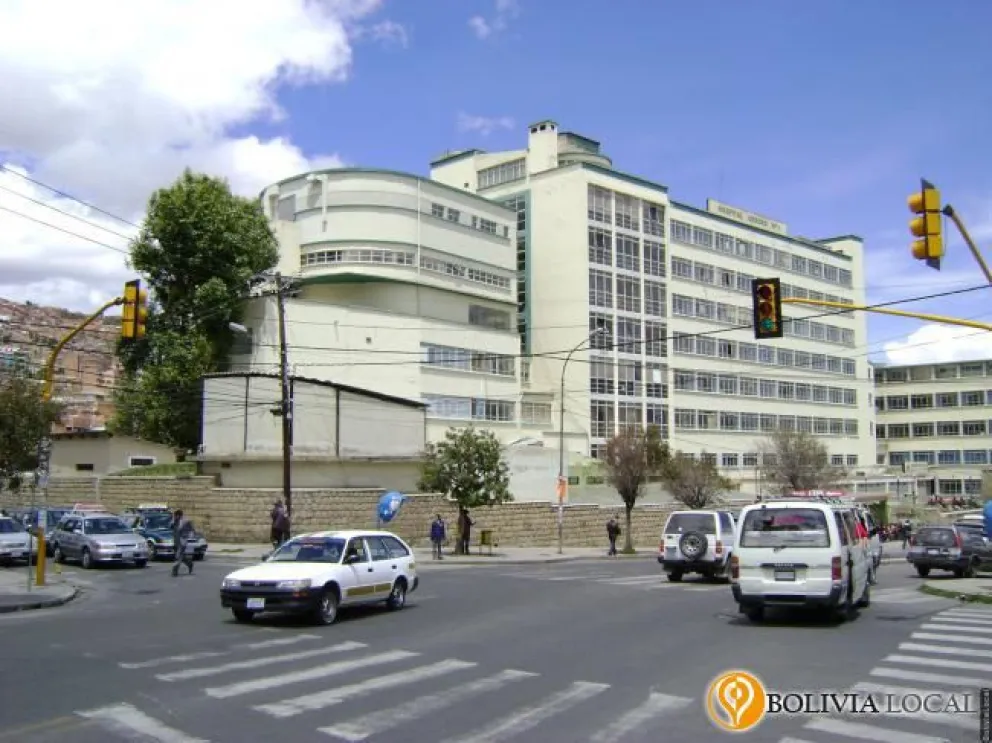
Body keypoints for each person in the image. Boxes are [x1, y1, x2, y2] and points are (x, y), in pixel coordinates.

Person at [171, 509, 195, 577]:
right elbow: (170, 527)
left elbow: (192, 529)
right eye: (174, 516)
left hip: (183, 541)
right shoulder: (174, 521)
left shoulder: (186, 521)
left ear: (179, 515)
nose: (175, 517)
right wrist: (174, 521)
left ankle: (175, 570)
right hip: (176, 541)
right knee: (181, 556)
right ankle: (189, 564)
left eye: (176, 516)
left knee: (178, 556)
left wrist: (190, 536)